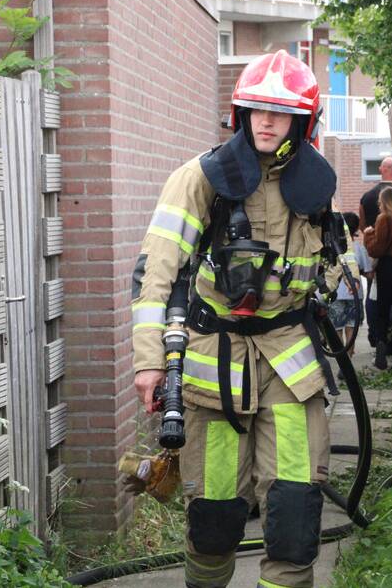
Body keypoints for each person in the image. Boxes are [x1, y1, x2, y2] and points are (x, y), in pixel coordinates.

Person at [130, 50, 344, 588]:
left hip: (291, 369)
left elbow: (325, 268)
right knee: (215, 516)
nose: (267, 121)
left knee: (295, 513)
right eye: (256, 109)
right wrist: (150, 363)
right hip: (213, 369)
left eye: (280, 112)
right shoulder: (198, 179)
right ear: (239, 112)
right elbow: (155, 276)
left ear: (303, 121)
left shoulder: (315, 188)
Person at [363, 186, 392, 371]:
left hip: (387, 267)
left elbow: (377, 249)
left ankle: (381, 345)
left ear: (386, 202)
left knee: (382, 311)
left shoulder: (384, 219)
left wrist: (368, 235)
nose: (378, 204)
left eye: (380, 201)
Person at [358, 156, 392, 347]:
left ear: (381, 169)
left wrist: (370, 238)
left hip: (375, 252)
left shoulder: (367, 197)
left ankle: (375, 336)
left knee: (374, 296)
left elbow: (362, 224)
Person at [327, 212, 369, 348]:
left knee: (336, 327)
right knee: (352, 325)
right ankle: (349, 356)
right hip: (354, 294)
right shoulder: (359, 248)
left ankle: (341, 360)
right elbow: (368, 272)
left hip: (336, 293)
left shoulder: (332, 247)